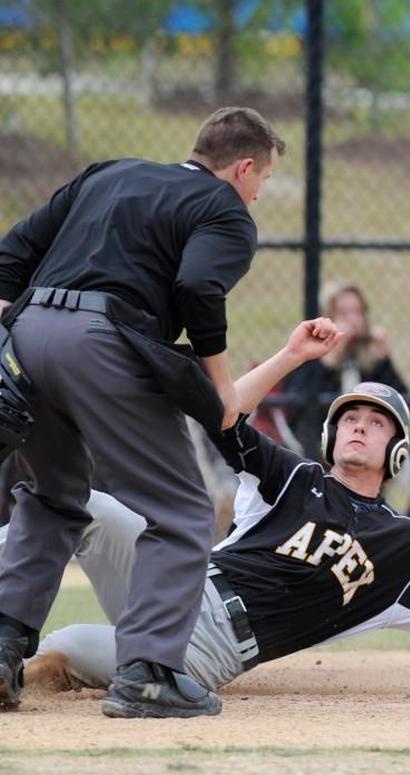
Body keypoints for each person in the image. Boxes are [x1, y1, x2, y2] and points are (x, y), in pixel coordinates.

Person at [8, 319, 410, 702]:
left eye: (376, 423)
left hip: (210, 648)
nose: (360, 428)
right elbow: (220, 411)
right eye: (351, 419)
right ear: (332, 438)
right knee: (84, 504)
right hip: (177, 579)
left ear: (397, 452)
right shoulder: (294, 477)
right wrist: (291, 358)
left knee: (63, 651)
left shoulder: (405, 545)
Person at [0, 107, 284, 716]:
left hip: (27, 333)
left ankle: (2, 648)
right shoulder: (225, 210)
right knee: (180, 509)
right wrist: (223, 391)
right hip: (101, 342)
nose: (259, 193)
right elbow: (198, 287)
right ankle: (149, 673)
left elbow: (10, 256)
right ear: (242, 167)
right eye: (263, 179)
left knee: (53, 494)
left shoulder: (106, 175)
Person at [283, 280, 408, 458]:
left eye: (358, 312)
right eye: (343, 313)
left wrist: (384, 360)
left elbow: (404, 401)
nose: (353, 320)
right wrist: (330, 360)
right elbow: (298, 410)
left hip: (365, 451)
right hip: (314, 449)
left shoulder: (368, 356)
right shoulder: (309, 354)